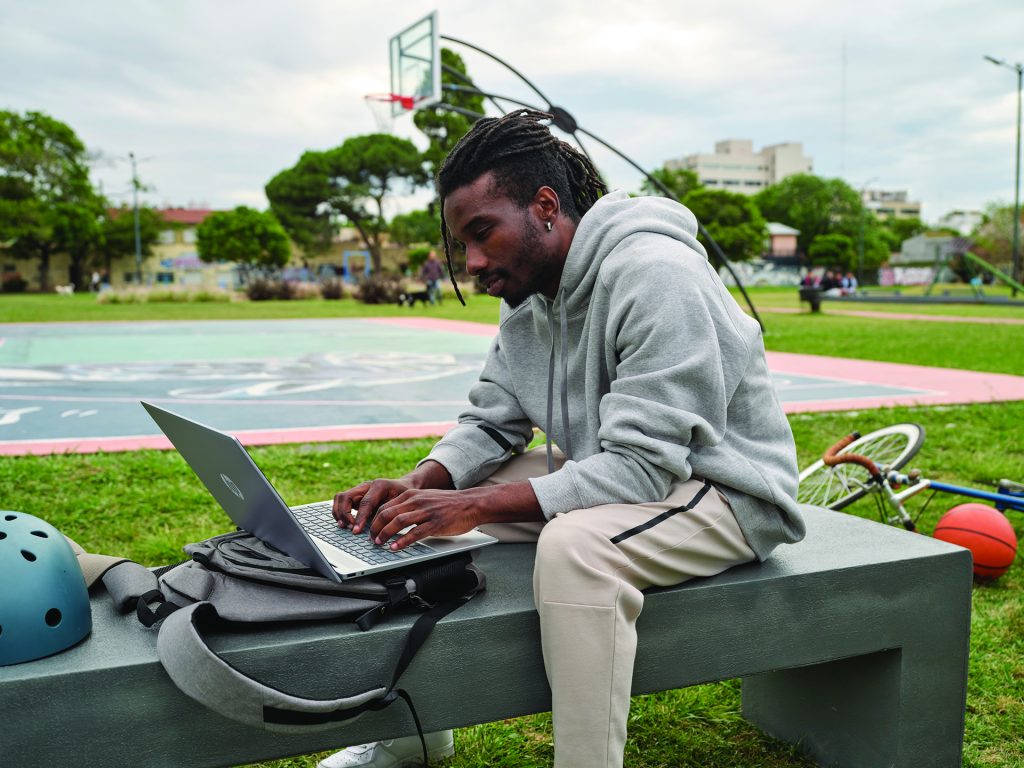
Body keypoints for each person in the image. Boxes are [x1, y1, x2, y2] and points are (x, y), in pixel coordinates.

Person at [319, 109, 806, 768]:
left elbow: (642, 469)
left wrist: (475, 507)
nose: (475, 262)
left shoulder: (656, 274)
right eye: (463, 245)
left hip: (727, 492)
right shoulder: (526, 296)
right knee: (411, 520)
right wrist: (419, 486)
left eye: (483, 234)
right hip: (630, 476)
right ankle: (414, 736)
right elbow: (492, 421)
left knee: (575, 547)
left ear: (545, 207)